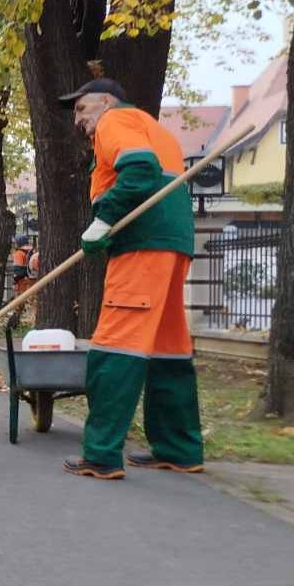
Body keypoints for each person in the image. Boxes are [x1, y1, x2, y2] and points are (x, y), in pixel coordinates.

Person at [58, 78, 202, 480]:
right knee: (167, 349)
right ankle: (179, 448)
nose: (80, 121)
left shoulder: (114, 121)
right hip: (172, 246)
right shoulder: (153, 128)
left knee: (114, 347)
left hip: (142, 247)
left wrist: (102, 221)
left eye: (82, 110)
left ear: (105, 101)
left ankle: (101, 455)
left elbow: (139, 169)